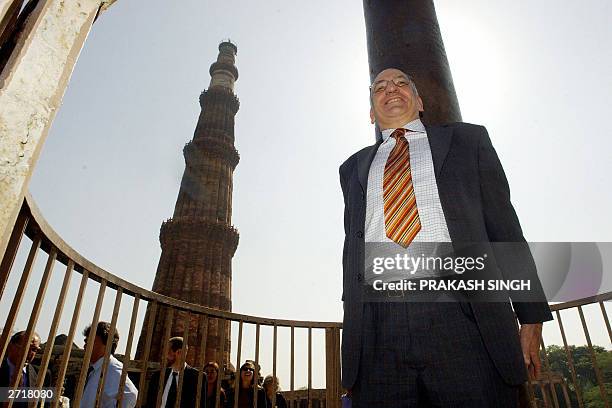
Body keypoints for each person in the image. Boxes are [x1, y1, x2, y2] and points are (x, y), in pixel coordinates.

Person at [339, 68, 553, 407]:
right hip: (378, 328)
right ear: (370, 111)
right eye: (378, 86)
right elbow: (353, 245)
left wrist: (531, 314)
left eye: (400, 83)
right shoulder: (351, 169)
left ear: (419, 101)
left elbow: (504, 228)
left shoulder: (469, 142)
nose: (390, 89)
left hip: (462, 318)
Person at [81, 322, 137, 407]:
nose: (85, 345)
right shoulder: (94, 369)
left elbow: (131, 395)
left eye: (90, 340)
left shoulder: (112, 368)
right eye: (86, 341)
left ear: (106, 344)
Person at [145, 337, 206, 408]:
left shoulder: (198, 378)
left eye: (167, 352)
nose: (163, 356)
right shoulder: (157, 376)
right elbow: (149, 404)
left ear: (179, 352)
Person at [0, 331, 50, 407]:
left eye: (34, 350)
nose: (29, 352)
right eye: (26, 347)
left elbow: (45, 404)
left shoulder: (42, 375)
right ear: (10, 346)